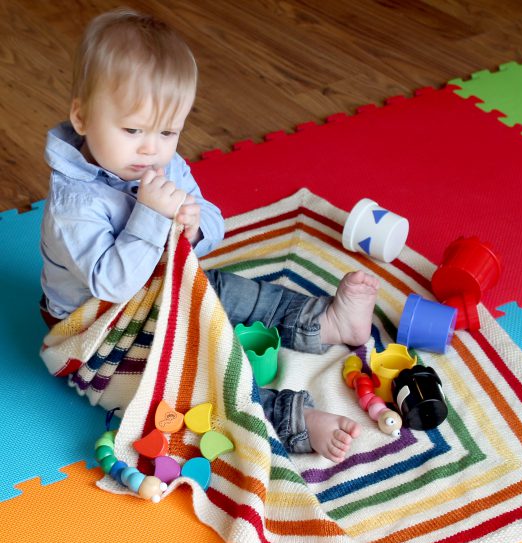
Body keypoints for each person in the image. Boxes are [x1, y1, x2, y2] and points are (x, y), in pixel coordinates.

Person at [40, 9, 379, 463]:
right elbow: (111, 284)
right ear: (81, 117)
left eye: (167, 131)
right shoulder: (75, 206)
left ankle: (321, 321)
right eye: (132, 130)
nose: (150, 148)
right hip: (99, 329)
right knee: (185, 372)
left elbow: (213, 224)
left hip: (157, 290)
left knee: (222, 289)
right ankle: (287, 416)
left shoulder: (159, 162)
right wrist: (148, 215)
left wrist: (195, 225)